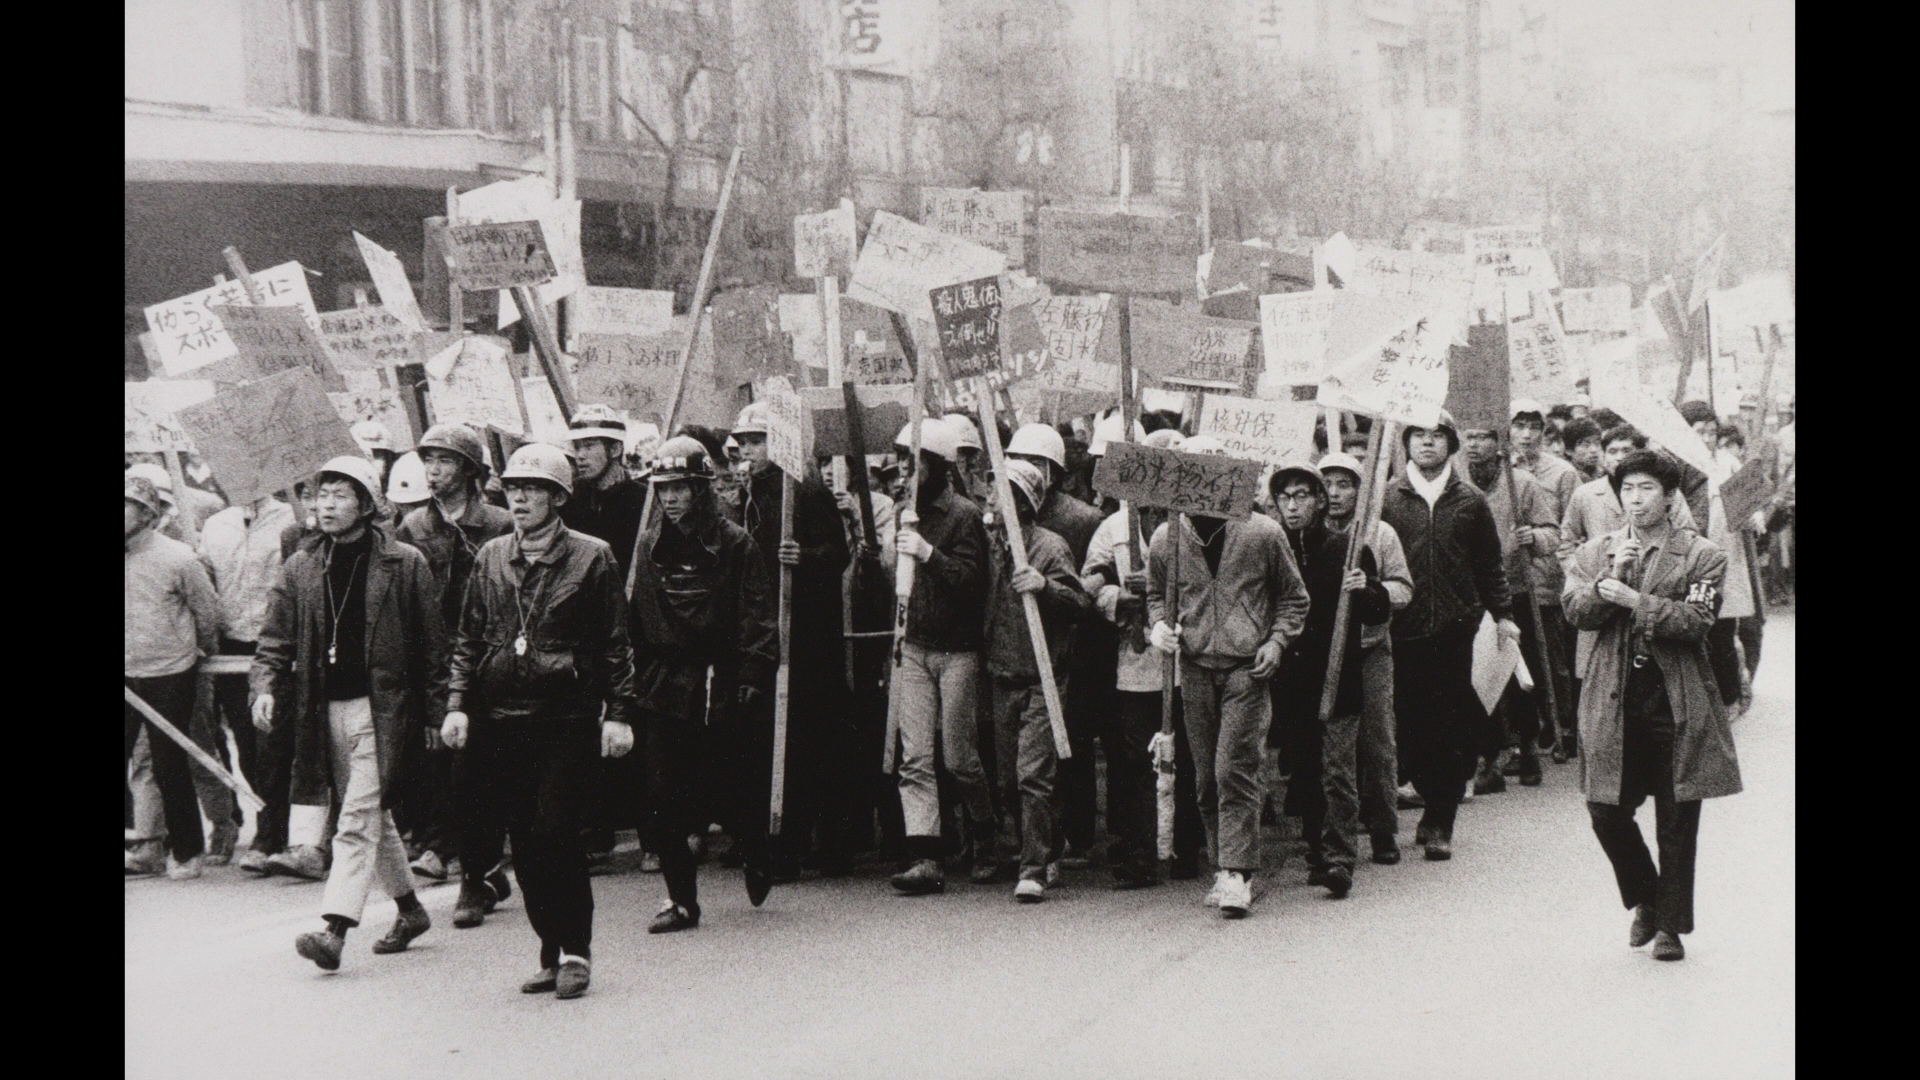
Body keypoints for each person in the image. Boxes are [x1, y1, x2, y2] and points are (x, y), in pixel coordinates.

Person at [440, 443, 636, 998]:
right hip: (502, 718)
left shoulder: (592, 556)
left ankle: (577, 949)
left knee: (556, 832)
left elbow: (615, 644)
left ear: (556, 497)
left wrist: (618, 714)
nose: (520, 498)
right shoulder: (491, 557)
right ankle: (549, 949)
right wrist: (456, 704)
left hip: (565, 718)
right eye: (514, 489)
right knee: (524, 843)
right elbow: (469, 638)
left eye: (533, 489)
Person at [251, 456, 446, 972]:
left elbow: (432, 647)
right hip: (321, 713)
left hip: (383, 712)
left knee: (355, 818)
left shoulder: (405, 563)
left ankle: (333, 928)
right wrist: (266, 687)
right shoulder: (301, 566)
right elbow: (274, 641)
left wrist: (434, 713)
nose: (327, 505)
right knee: (373, 815)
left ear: (367, 503)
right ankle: (409, 910)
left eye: (340, 495)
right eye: (321, 495)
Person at [1563, 449, 1741, 962]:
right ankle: (1645, 894)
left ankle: (1670, 926)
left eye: (1646, 489)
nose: (1635, 500)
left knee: (1677, 817)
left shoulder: (1702, 553)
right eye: (1627, 489)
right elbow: (1576, 611)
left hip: (1676, 697)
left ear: (1669, 497)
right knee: (1605, 809)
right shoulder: (1598, 550)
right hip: (1613, 697)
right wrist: (1605, 584)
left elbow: (1696, 622)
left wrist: (1636, 601)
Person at [1146, 435, 1310, 919]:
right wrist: (1158, 625)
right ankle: (1223, 864)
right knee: (1203, 777)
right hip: (1195, 667)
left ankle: (1238, 871)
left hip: (1246, 667)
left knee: (1232, 768)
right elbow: (1157, 594)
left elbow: (1293, 598)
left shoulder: (1262, 533)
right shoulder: (1167, 538)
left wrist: (1277, 642)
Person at [628, 435, 779, 930]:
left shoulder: (736, 543)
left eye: (679, 488)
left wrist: (753, 678)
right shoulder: (648, 545)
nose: (669, 498)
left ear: (700, 488)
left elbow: (757, 618)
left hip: (721, 680)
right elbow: (639, 618)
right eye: (663, 488)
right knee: (662, 797)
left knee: (731, 789)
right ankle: (682, 901)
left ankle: (757, 847)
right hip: (665, 684)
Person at [1378, 412, 1518, 861]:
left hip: (1455, 628)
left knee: (1447, 725)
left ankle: (1441, 818)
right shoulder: (1386, 499)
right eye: (1418, 436)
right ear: (1407, 444)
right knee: (1409, 723)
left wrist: (1503, 614)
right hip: (1399, 628)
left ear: (1452, 445)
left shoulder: (1470, 500)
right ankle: (1424, 792)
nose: (1427, 444)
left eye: (1437, 437)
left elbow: (1489, 564)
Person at [728, 401, 855, 878]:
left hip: (808, 637)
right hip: (765, 632)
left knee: (812, 739)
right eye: (743, 443)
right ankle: (779, 840)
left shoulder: (805, 490)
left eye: (757, 441)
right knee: (770, 740)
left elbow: (838, 552)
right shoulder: (745, 496)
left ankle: (829, 841)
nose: (749, 451)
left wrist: (803, 555)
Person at [396, 423, 516, 922]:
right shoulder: (411, 530)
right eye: (429, 460)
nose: (434, 470)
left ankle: (484, 872)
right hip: (438, 668)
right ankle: (475, 876)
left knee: (488, 774)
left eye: (444, 460)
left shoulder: (502, 523)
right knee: (453, 773)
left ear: (469, 468)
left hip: (494, 663)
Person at [1082, 430, 1205, 888]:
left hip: (1186, 658)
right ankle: (1138, 851)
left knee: (1189, 756)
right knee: (1135, 761)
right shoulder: (1115, 526)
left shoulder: (1194, 524)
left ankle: (1185, 847)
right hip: (1136, 663)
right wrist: (1119, 597)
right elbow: (1089, 580)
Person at [1267, 463, 1394, 898]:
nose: (1293, 504)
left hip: (1338, 675)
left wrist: (1365, 588)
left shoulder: (1349, 549)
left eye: (1302, 495)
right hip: (1291, 680)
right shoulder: (1271, 547)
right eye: (1285, 497)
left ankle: (1341, 857)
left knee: (1338, 771)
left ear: (1320, 501)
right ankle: (1316, 853)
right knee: (1304, 769)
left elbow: (1379, 612)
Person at [887, 418, 994, 896]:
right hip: (913, 647)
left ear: (937, 466)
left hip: (958, 652)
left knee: (959, 757)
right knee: (914, 757)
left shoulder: (965, 515)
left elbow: (974, 583)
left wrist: (930, 554)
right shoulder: (900, 514)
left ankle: (986, 833)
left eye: (914, 462)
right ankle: (925, 855)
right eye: (903, 461)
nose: (904, 472)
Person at [982, 460, 1091, 902]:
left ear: (1022, 501)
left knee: (1033, 776)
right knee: (1009, 779)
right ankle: (1048, 840)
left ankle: (1034, 866)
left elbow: (1079, 602)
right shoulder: (991, 546)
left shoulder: (1050, 547)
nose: (989, 496)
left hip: (1042, 679)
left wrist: (1044, 585)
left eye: (999, 490)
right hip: (1001, 676)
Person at [1005, 422, 1106, 868]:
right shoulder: (1002, 521)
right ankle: (1043, 840)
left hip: (1073, 646)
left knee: (1074, 745)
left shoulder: (1081, 519)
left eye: (1034, 463)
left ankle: (1077, 835)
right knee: (1034, 759)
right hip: (1020, 649)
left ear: (1052, 468)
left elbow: (1092, 581)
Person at [559, 405, 652, 872]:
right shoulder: (569, 503)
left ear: (615, 450)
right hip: (582, 627)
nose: (580, 455)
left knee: (640, 727)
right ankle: (593, 833)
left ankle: (657, 834)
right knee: (582, 729)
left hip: (636, 624)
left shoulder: (646, 498)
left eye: (589, 446)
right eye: (575, 446)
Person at [1316, 452, 1414, 864]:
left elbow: (1403, 589)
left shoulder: (1380, 533)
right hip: (1321, 651)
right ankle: (1331, 830)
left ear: (1359, 491)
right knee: (1329, 746)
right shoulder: (1308, 532)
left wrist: (1371, 588)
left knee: (1377, 740)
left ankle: (1384, 829)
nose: (1335, 494)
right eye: (1328, 486)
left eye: (1344, 485)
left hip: (1370, 647)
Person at [125, 473, 222, 879]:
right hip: (126, 674)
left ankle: (188, 851)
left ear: (147, 514)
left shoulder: (179, 558)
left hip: (170, 673)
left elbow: (209, 613)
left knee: (168, 764)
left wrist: (196, 651)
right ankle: (142, 843)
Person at [1457, 424, 1564, 789]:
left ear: (1498, 442)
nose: (1474, 444)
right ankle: (1490, 757)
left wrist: (1533, 536)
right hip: (1469, 594)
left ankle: (1529, 747)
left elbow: (1553, 534)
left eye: (1482, 436)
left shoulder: (1523, 484)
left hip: (1515, 589)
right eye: (1468, 437)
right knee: (1479, 676)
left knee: (1522, 676)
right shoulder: (1456, 485)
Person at [197, 491, 298, 874]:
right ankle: (267, 821)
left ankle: (276, 832)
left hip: (274, 642)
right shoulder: (215, 525)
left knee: (274, 739)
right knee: (245, 740)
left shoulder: (289, 519)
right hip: (231, 644)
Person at [1509, 399, 1579, 518]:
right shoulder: (1499, 469)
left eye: (1535, 427)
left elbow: (1572, 525)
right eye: (1519, 426)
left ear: (1542, 432)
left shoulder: (1563, 472)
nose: (1527, 435)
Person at [1561, 417, 1606, 484]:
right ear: (1569, 450)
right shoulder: (1562, 475)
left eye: (1597, 443)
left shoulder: (1604, 473)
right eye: (1585, 445)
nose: (1594, 450)